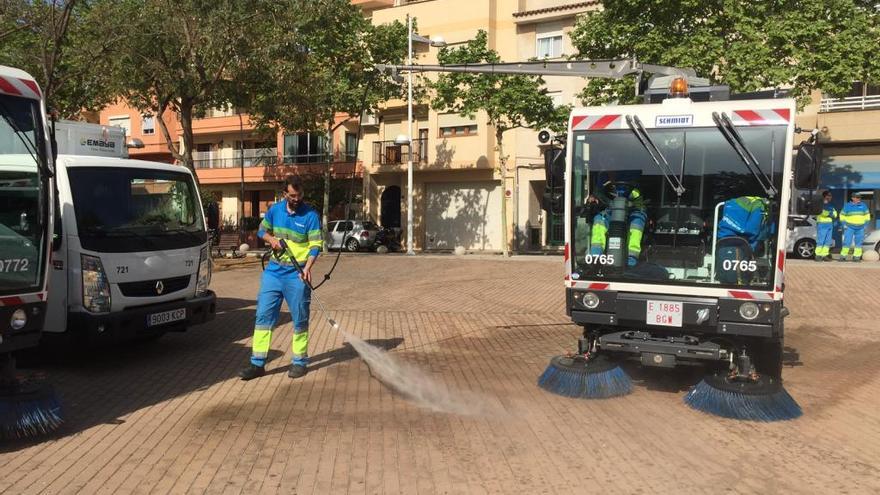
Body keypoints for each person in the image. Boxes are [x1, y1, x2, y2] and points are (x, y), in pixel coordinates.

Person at [239, 175, 323, 380]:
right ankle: (257, 363)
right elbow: (261, 231)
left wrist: (308, 267)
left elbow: (315, 246)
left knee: (300, 318)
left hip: (298, 273)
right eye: (293, 195)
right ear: (284, 193)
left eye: (300, 194)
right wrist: (272, 240)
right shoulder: (275, 211)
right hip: (274, 271)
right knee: (263, 317)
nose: (297, 198)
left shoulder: (310, 215)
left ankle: (299, 361)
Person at [588, 178, 646, 267]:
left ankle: (631, 260)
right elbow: (598, 191)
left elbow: (639, 196)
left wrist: (631, 199)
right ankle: (595, 257)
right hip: (611, 209)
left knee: (636, 225)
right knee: (599, 220)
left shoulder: (635, 178)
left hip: (633, 210)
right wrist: (594, 196)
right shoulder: (604, 175)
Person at [838, 191, 871, 262]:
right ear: (853, 198)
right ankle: (843, 256)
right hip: (849, 227)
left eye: (859, 197)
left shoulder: (863, 205)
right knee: (847, 242)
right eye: (857, 197)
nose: (859, 199)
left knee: (859, 243)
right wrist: (844, 225)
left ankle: (856, 257)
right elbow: (842, 215)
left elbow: (867, 216)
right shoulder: (847, 205)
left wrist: (865, 225)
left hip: (861, 228)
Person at [814, 190, 837, 262]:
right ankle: (818, 255)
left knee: (828, 241)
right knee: (821, 240)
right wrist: (830, 214)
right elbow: (822, 213)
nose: (831, 197)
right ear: (825, 196)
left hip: (829, 224)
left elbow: (835, 214)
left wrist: (830, 214)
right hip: (822, 224)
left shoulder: (831, 205)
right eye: (829, 195)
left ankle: (824, 255)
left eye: (831, 195)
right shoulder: (820, 204)